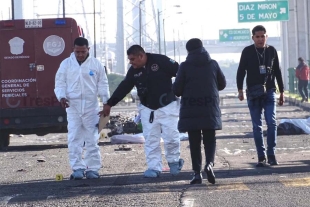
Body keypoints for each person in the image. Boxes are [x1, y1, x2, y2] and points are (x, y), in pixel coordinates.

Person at [99, 45, 184, 178]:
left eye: (133, 59)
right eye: (129, 59)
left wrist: (180, 90)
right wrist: (110, 103)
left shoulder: (160, 61)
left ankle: (174, 162)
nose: (130, 62)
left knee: (171, 137)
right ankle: (154, 167)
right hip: (148, 108)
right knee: (150, 139)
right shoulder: (133, 71)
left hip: (167, 106)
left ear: (141, 56)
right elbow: (124, 87)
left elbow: (181, 73)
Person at [54, 37, 110, 180]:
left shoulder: (96, 64)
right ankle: (77, 168)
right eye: (77, 51)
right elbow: (59, 83)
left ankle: (92, 169)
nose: (80, 54)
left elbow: (103, 84)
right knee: (74, 138)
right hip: (72, 106)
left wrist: (106, 102)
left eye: (83, 51)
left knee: (92, 138)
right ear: (73, 49)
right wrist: (61, 97)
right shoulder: (66, 64)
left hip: (91, 107)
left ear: (88, 49)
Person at [173, 38, 226, 185]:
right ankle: (209, 164)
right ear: (203, 48)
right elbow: (222, 84)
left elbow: (177, 90)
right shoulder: (213, 64)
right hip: (210, 108)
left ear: (188, 50)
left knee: (194, 142)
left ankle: (197, 174)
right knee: (210, 139)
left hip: (191, 109)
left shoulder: (184, 66)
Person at [236, 25, 284, 167]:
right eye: (257, 37)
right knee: (257, 126)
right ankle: (261, 156)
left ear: (266, 36)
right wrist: (240, 90)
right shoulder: (247, 51)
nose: (260, 39)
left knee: (272, 122)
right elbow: (241, 71)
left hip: (269, 91)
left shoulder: (272, 51)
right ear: (253, 38)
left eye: (263, 36)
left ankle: (271, 154)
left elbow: (278, 72)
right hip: (253, 92)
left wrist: (282, 91)